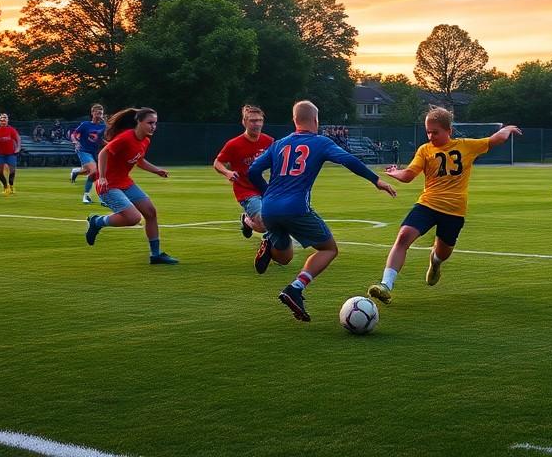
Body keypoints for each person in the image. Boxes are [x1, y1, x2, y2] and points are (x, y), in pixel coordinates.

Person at [247, 100, 397, 322]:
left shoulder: (279, 144)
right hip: (296, 208)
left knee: (285, 257)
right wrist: (376, 180)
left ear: (294, 120)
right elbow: (348, 160)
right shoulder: (320, 142)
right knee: (329, 249)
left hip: (269, 209)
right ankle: (296, 288)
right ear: (316, 121)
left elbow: (253, 171)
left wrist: (267, 194)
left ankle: (269, 241)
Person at [367, 109, 521, 304]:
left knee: (442, 253)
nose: (431, 136)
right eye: (428, 132)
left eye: (435, 132)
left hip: (454, 211)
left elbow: (494, 140)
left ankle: (435, 263)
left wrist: (506, 129)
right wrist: (395, 172)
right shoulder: (425, 150)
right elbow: (408, 176)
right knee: (404, 236)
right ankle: (385, 285)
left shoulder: (466, 146)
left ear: (449, 130)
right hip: (428, 204)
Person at [84, 107, 177, 264]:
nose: (153, 126)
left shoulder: (145, 139)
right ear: (139, 122)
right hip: (109, 185)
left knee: (151, 213)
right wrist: (102, 178)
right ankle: (97, 221)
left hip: (125, 182)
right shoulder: (126, 137)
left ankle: (156, 255)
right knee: (133, 218)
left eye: (155, 123)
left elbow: (139, 160)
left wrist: (157, 170)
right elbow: (103, 153)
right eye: (150, 123)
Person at [213, 104, 274, 239]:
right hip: (245, 190)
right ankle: (247, 221)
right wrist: (227, 173)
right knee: (263, 225)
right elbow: (217, 163)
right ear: (244, 122)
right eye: (253, 121)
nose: (257, 124)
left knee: (279, 218)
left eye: (260, 120)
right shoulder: (234, 144)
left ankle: (272, 247)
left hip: (265, 188)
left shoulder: (269, 141)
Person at [68, 103, 106, 204]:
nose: (99, 115)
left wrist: (110, 145)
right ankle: (87, 196)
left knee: (93, 173)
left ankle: (76, 172)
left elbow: (100, 140)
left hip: (94, 152)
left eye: (101, 113)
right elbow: (74, 134)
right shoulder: (85, 124)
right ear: (92, 113)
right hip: (83, 150)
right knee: (94, 171)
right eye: (97, 113)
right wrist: (75, 142)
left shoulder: (103, 126)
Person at [0, 113, 21, 195]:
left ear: (7, 120)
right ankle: (5, 186)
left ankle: (11, 186)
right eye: (1, 119)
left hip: (11, 153)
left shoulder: (11, 130)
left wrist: (18, 147)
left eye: (5, 119)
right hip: (0, 154)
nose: (3, 121)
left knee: (12, 170)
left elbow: (17, 138)